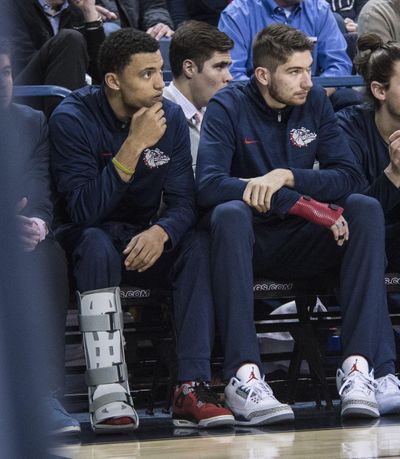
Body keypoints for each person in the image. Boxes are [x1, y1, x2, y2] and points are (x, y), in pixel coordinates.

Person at [195, 23, 398, 421]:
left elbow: (349, 178)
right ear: (263, 75)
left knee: (364, 207)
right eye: (295, 72)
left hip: (305, 242)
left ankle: (358, 368)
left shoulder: (315, 104)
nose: (308, 81)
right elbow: (210, 185)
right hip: (249, 243)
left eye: (309, 69)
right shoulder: (228, 105)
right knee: (230, 212)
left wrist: (286, 175)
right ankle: (244, 376)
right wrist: (301, 202)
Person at [49, 28, 234, 431]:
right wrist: (133, 146)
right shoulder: (71, 118)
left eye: (160, 72)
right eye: (146, 74)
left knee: (197, 243)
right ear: (113, 81)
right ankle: (108, 388)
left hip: (141, 238)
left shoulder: (168, 118)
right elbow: (83, 210)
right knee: (96, 241)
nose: (158, 84)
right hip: (82, 242)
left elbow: (185, 201)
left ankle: (191, 387)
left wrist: (162, 231)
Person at [0, 37, 80, 436]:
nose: (2, 83)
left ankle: (44, 395)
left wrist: (35, 223)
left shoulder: (31, 123)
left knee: (48, 255)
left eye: (6, 73)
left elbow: (38, 191)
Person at [336, 34, 400, 414]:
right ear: (379, 89)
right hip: (352, 245)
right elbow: (353, 212)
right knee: (368, 226)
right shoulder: (348, 129)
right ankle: (383, 373)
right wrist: (392, 174)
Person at [0, 0, 114, 115]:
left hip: (70, 93)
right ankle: (63, 123)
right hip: (24, 90)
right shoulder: (12, 5)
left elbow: (100, 72)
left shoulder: (75, 11)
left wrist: (90, 13)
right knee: (70, 38)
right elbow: (20, 61)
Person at [218, 0, 352, 82]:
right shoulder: (237, 14)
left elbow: (339, 65)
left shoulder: (320, 9)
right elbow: (231, 73)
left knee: (349, 99)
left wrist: (312, 94)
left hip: (311, 98)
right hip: (256, 103)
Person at [163, 20, 233, 168]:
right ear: (189, 68)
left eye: (228, 67)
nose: (229, 77)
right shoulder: (158, 117)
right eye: (219, 66)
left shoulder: (222, 114)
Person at [97, 0, 175, 39]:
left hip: (138, 35)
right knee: (109, 30)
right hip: (94, 33)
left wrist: (157, 22)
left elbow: (153, 6)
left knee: (162, 35)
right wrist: (87, 14)